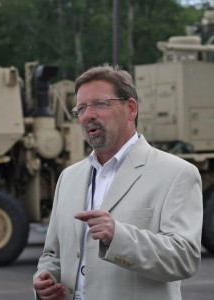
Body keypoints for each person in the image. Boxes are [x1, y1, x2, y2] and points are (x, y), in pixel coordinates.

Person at [33, 64, 203, 300]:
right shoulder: (68, 178)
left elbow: (184, 259)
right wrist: (45, 278)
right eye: (80, 108)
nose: (88, 115)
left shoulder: (176, 173)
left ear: (131, 109)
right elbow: (52, 254)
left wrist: (118, 236)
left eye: (100, 104)